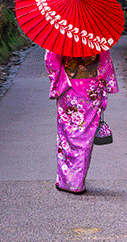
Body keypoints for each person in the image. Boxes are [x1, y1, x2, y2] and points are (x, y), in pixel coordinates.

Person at [46, 48, 115, 193]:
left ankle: (66, 181)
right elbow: (104, 63)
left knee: (67, 136)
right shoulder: (96, 35)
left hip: (69, 89)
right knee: (85, 138)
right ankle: (77, 182)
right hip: (90, 89)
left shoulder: (62, 34)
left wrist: (59, 81)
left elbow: (50, 59)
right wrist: (105, 83)